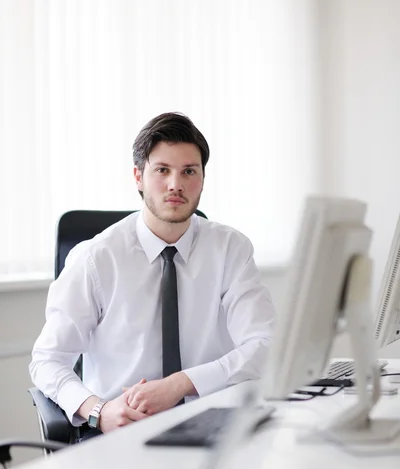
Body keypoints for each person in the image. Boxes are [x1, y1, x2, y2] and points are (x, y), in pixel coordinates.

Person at [30, 112, 275, 440]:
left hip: (212, 423)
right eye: (162, 170)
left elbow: (265, 344)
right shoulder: (95, 258)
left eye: (189, 171)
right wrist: (98, 410)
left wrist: (179, 384)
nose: (176, 184)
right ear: (138, 177)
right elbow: (48, 361)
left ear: (202, 179)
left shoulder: (231, 248)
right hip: (124, 427)